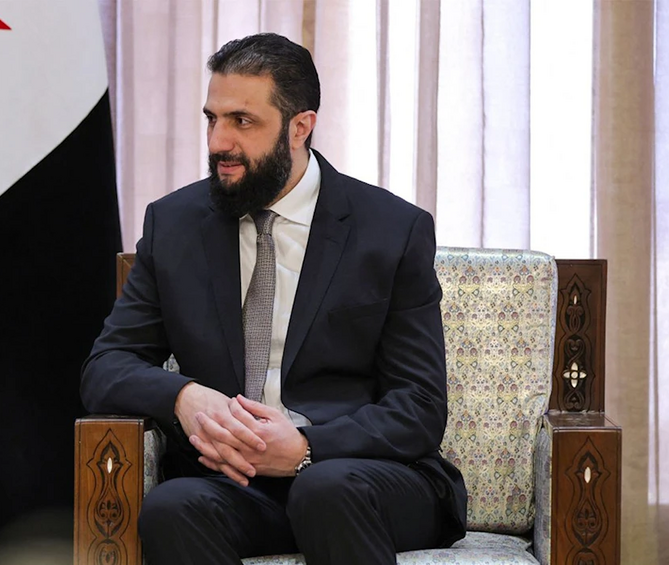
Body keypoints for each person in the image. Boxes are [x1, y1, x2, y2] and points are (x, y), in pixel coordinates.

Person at [81, 33, 467, 565]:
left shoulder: (390, 230)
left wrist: (307, 449)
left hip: (363, 478)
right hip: (239, 484)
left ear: (300, 127)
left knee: (324, 491)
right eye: (212, 119)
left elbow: (419, 405)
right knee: (172, 507)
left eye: (242, 121)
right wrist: (184, 396)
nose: (218, 141)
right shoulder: (174, 225)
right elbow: (105, 368)